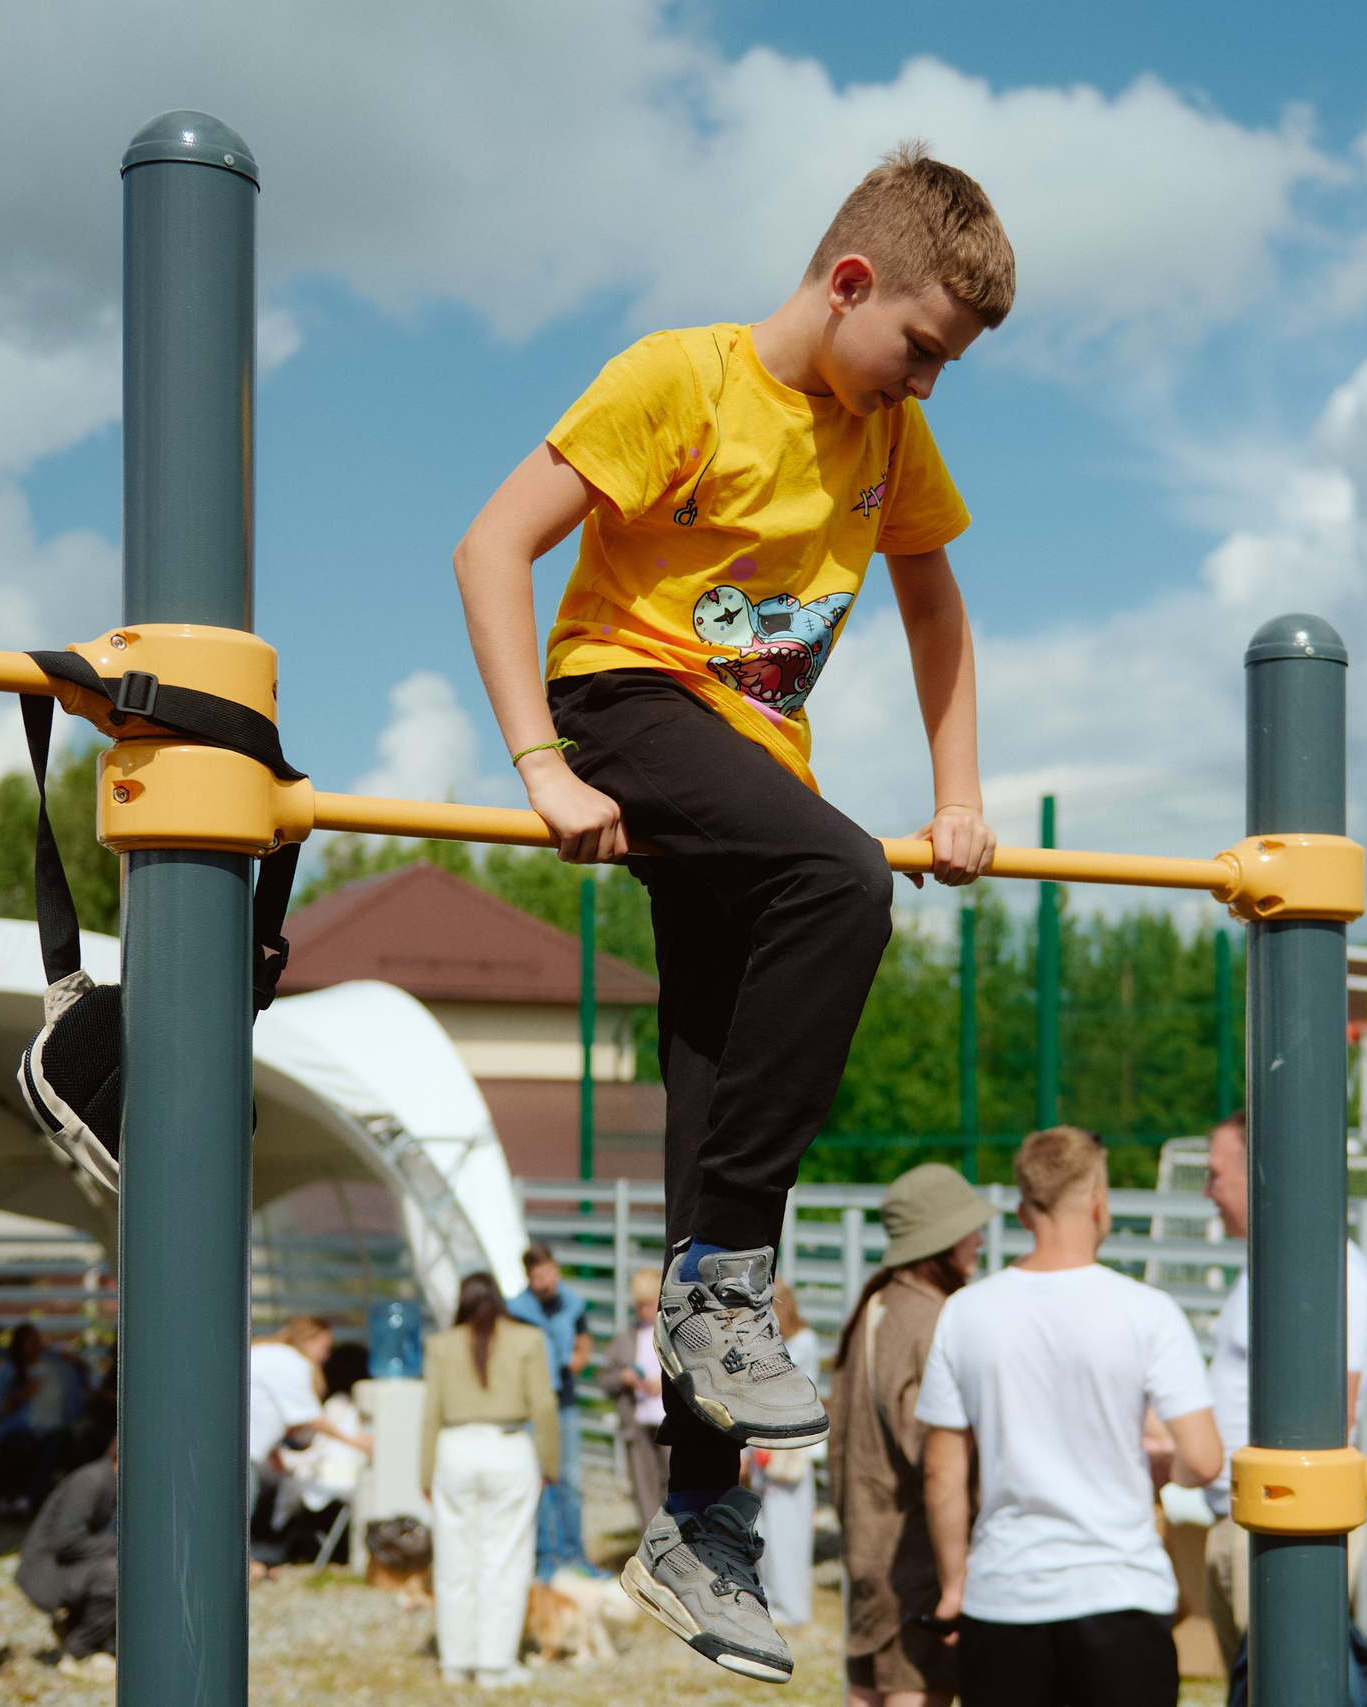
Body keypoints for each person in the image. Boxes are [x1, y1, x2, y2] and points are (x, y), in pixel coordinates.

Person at [453, 143, 1014, 1677]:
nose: (925, 386)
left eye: (946, 368)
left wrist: (960, 792)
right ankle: (715, 1288)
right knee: (843, 875)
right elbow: (491, 544)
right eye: (919, 348)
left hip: (744, 771)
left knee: (714, 1114)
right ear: (850, 284)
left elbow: (935, 601)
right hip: (625, 701)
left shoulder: (889, 441)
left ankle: (699, 1523)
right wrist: (544, 764)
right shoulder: (680, 382)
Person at [917, 1127, 1221, 1707]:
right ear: (1098, 1201)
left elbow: (943, 1474)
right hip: (1120, 1592)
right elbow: (1205, 1461)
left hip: (1004, 1594)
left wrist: (955, 1584)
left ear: (1024, 1211)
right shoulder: (1148, 1312)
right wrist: (1162, 1469)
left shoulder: (965, 1313)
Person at [1192, 1113, 1367, 1696]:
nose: (1207, 1192)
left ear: (1256, 1173)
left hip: (1283, 1525)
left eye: (1214, 1174)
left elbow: (1336, 1413)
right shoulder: (1269, 1270)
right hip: (1245, 1517)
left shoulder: (1330, 1274)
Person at [830, 1161, 993, 1707]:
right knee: (912, 1691)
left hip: (868, 1552)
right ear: (938, 1242)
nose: (980, 1239)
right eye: (968, 1228)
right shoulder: (932, 1321)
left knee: (867, 1691)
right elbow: (936, 1457)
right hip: (918, 1560)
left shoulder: (874, 1305)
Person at [420, 1271, 560, 1688]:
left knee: (453, 1557)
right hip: (508, 1447)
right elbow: (545, 1407)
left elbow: (430, 1412)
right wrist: (550, 1465)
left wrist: (424, 1473)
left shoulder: (440, 1345)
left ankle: (455, 1661)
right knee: (505, 1557)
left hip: (454, 1449)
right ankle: (494, 1664)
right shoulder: (526, 1339)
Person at [247, 1315, 369, 1572]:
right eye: (323, 1348)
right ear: (307, 1340)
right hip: (243, 1455)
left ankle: (244, 1563)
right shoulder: (292, 1362)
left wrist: (272, 1452)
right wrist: (356, 1441)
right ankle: (239, 1567)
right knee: (244, 1502)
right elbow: (310, 1417)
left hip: (246, 1450)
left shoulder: (270, 1353)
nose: (325, 1357)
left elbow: (262, 1408)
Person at [507, 1242, 596, 1579]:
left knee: (570, 1480)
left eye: (548, 1272)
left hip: (566, 1402)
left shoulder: (572, 1304)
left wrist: (579, 1359)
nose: (544, 1281)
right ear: (528, 1278)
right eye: (536, 1276)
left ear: (555, 1270)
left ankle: (576, 1555)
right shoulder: (516, 1310)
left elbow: (584, 1340)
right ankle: (545, 1556)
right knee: (540, 1479)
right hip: (532, 1404)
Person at [751, 1280, 821, 1626]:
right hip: (764, 1443)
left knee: (788, 1529)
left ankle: (793, 1606)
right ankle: (773, 1598)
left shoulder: (802, 1343)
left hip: (788, 1446)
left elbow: (782, 1384)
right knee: (766, 1527)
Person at [18, 1442, 118, 1683]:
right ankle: (79, 1650)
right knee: (118, 1575)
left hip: (75, 1566)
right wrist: (128, 1545)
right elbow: (67, 1542)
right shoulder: (90, 1481)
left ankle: (88, 1634)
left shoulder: (111, 1481)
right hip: (49, 1573)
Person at [600, 1266, 670, 1528]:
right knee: (645, 1490)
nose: (644, 1311)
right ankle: (651, 1545)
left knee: (676, 1486)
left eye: (649, 1305)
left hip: (668, 1421)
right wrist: (624, 1378)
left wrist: (664, 1383)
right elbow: (605, 1378)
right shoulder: (626, 1336)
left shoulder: (674, 1333)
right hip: (638, 1423)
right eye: (640, 1305)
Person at [0, 1322, 76, 1512]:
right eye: (30, 1340)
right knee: (23, 1444)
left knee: (59, 1441)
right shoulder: (8, 1371)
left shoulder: (55, 1367)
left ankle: (27, 1499)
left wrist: (78, 1364)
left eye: (38, 1339)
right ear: (19, 1345)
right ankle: (11, 1494)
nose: (36, 1343)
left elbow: (77, 1398)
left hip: (53, 1431)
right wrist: (22, 1395)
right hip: (20, 1432)